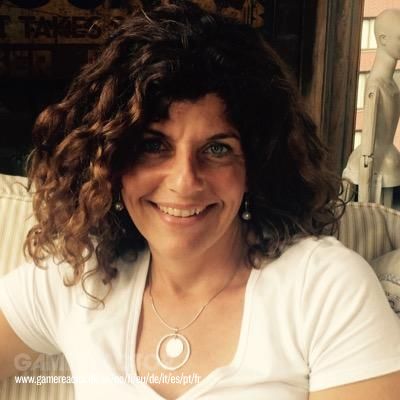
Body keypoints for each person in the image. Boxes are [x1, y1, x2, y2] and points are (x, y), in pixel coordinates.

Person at [1, 2, 400, 399]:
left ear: (256, 165)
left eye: (217, 149)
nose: (184, 181)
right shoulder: (77, 276)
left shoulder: (325, 288)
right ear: (109, 161)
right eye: (153, 145)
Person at [342, 8, 400, 206]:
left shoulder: (393, 83)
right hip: (373, 165)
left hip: (388, 160)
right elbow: (368, 149)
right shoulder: (375, 87)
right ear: (383, 39)